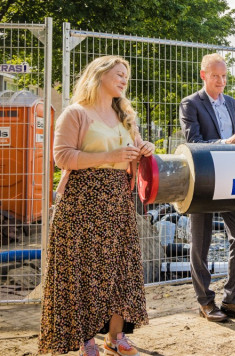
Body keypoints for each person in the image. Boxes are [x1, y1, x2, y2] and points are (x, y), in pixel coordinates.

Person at [40, 55, 153, 356]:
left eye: (126, 75)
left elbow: (133, 156)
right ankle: (85, 339)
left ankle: (116, 338)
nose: (124, 79)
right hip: (82, 203)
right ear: (98, 75)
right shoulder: (75, 113)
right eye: (118, 73)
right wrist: (109, 155)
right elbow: (62, 157)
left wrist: (145, 150)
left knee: (121, 271)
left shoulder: (126, 116)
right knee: (84, 272)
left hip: (117, 201)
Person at [179, 53, 235, 322]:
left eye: (224, 76)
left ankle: (232, 300)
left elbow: (231, 140)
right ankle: (205, 302)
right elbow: (195, 142)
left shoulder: (231, 103)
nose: (221, 81)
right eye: (216, 76)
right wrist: (227, 142)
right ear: (203, 75)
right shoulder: (190, 104)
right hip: (201, 179)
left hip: (229, 179)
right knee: (200, 243)